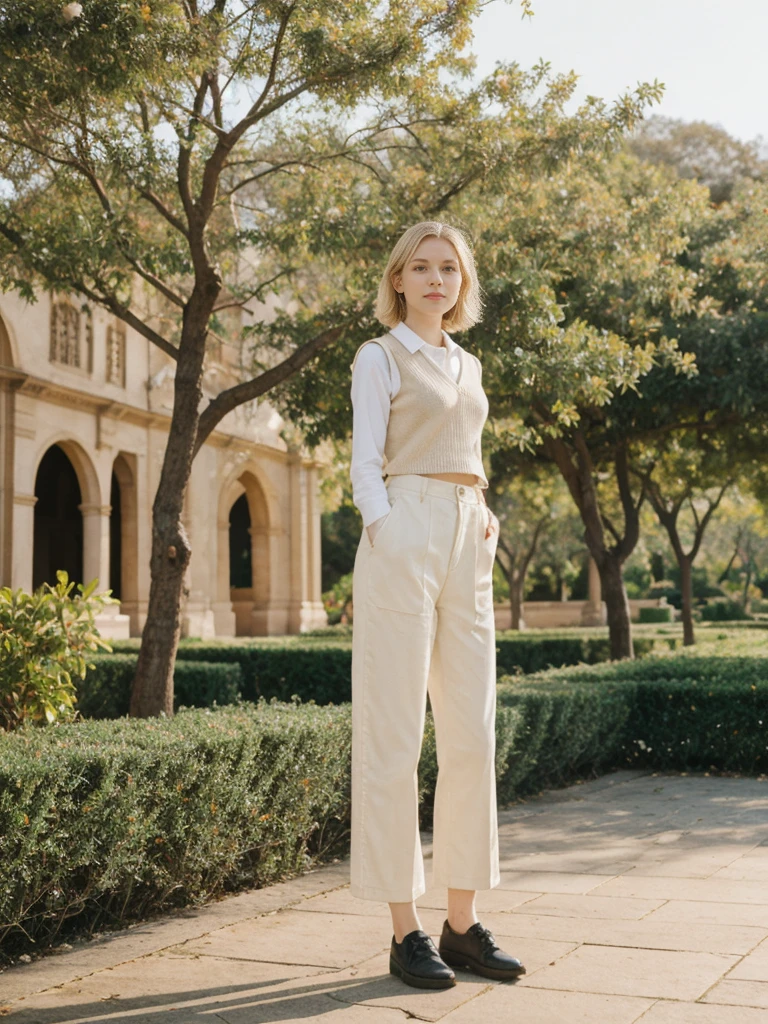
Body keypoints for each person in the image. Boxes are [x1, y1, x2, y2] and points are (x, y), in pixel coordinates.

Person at [349, 221, 526, 990]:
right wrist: (386, 528)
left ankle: (461, 925)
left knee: (470, 733)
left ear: (462, 283)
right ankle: (404, 931)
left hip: (467, 533)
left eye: (447, 269)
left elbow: (466, 451)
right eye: (419, 267)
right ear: (398, 280)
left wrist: (483, 510)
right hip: (404, 529)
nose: (433, 279)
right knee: (394, 736)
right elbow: (363, 457)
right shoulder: (380, 356)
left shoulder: (469, 364)